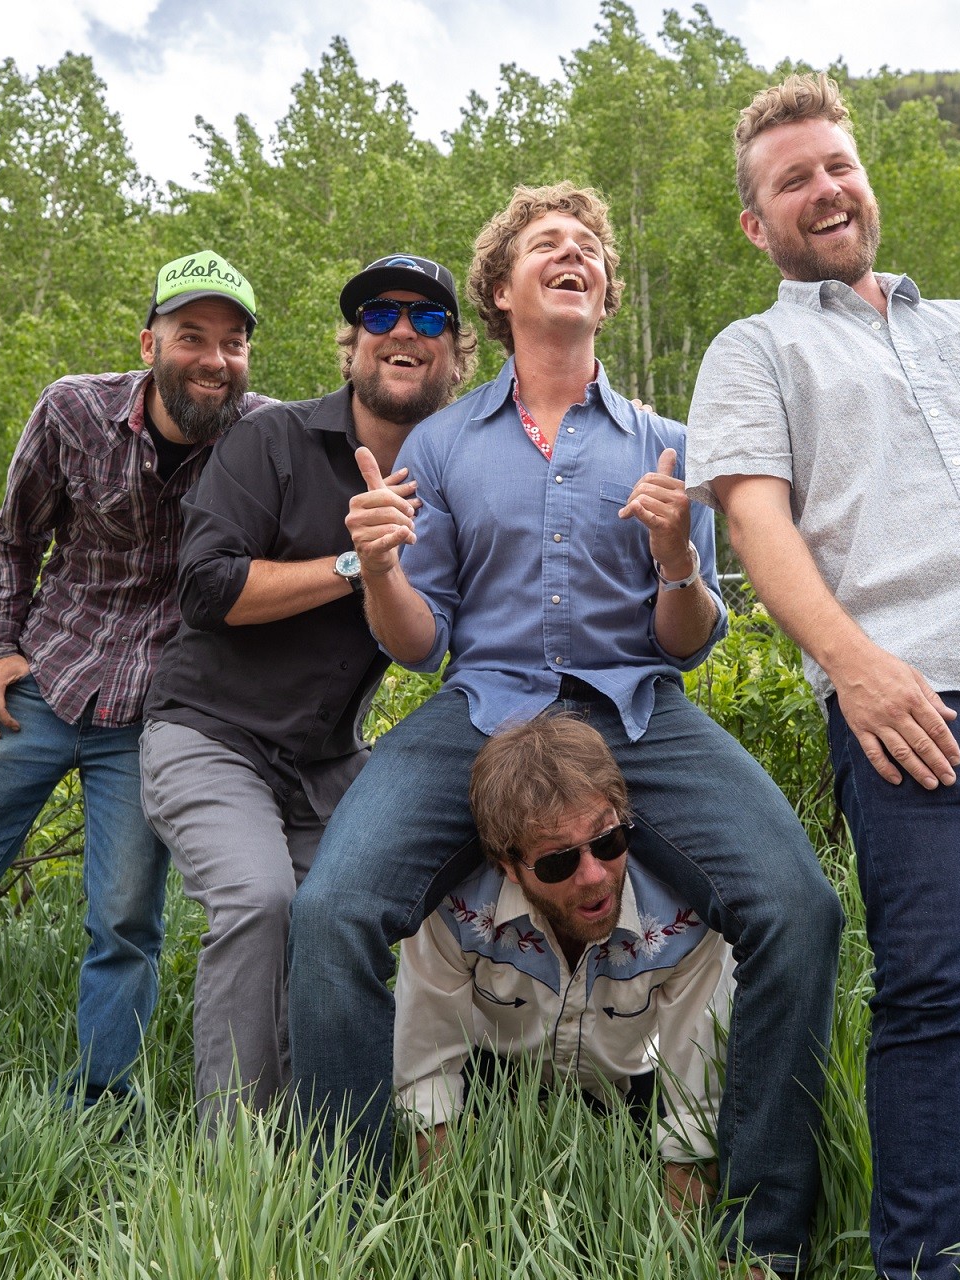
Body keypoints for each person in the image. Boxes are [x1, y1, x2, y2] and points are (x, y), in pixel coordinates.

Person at [288, 182, 842, 1279]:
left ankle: (761, 1240)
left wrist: (678, 559)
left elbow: (685, 641)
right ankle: (349, 1219)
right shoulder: (441, 445)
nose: (574, 252)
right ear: (501, 290)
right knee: (332, 908)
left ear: (604, 294)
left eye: (589, 245)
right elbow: (415, 643)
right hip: (481, 706)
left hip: (637, 708)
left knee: (799, 906)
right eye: (548, 243)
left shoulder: (669, 446)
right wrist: (384, 567)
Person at [686, 73, 960, 1280]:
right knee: (933, 997)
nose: (825, 189)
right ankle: (921, 1262)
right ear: (758, 223)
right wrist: (856, 670)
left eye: (837, 165)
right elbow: (758, 528)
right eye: (793, 181)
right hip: (913, 710)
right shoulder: (755, 350)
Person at [0, 250, 271, 1108]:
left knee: (125, 924)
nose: (213, 358)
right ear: (150, 340)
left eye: (232, 343)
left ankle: (99, 1112)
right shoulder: (73, 409)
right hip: (44, 680)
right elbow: (11, 539)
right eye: (192, 335)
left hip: (158, 713)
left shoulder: (264, 438)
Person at [139, 254, 476, 1124]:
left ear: (454, 355)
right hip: (209, 735)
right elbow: (206, 591)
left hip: (330, 759)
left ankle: (354, 1134)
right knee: (260, 902)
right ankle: (235, 1163)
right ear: (352, 345)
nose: (403, 332)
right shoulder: (271, 439)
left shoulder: (455, 480)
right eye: (380, 316)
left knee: (378, 910)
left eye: (429, 320)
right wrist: (350, 563)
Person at [395, 713, 734, 1214]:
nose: (595, 876)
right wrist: (452, 1233)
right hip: (495, 1080)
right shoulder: (449, 913)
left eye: (608, 841)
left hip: (631, 1088)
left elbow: (696, 1104)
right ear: (508, 866)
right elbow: (426, 1076)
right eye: (558, 861)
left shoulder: (689, 918)